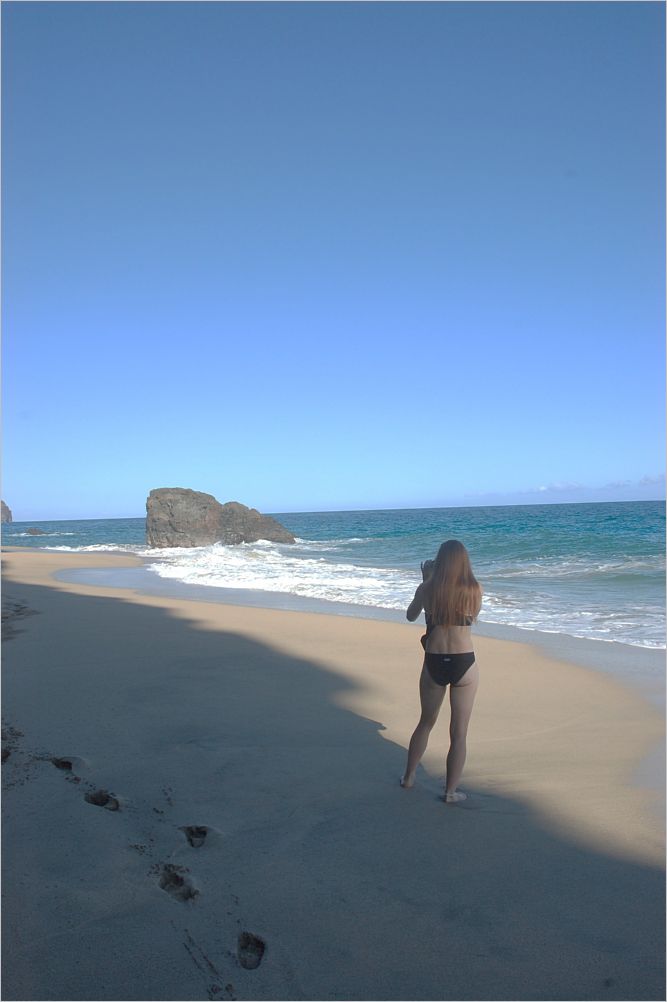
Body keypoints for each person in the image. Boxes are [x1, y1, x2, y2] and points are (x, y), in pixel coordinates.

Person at [400, 540, 482, 802]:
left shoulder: (427, 588)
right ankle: (450, 791)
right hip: (463, 663)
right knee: (459, 733)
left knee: (426, 722)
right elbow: (470, 617)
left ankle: (409, 777)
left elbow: (411, 615)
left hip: (434, 661)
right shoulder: (473, 589)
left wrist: (427, 581)